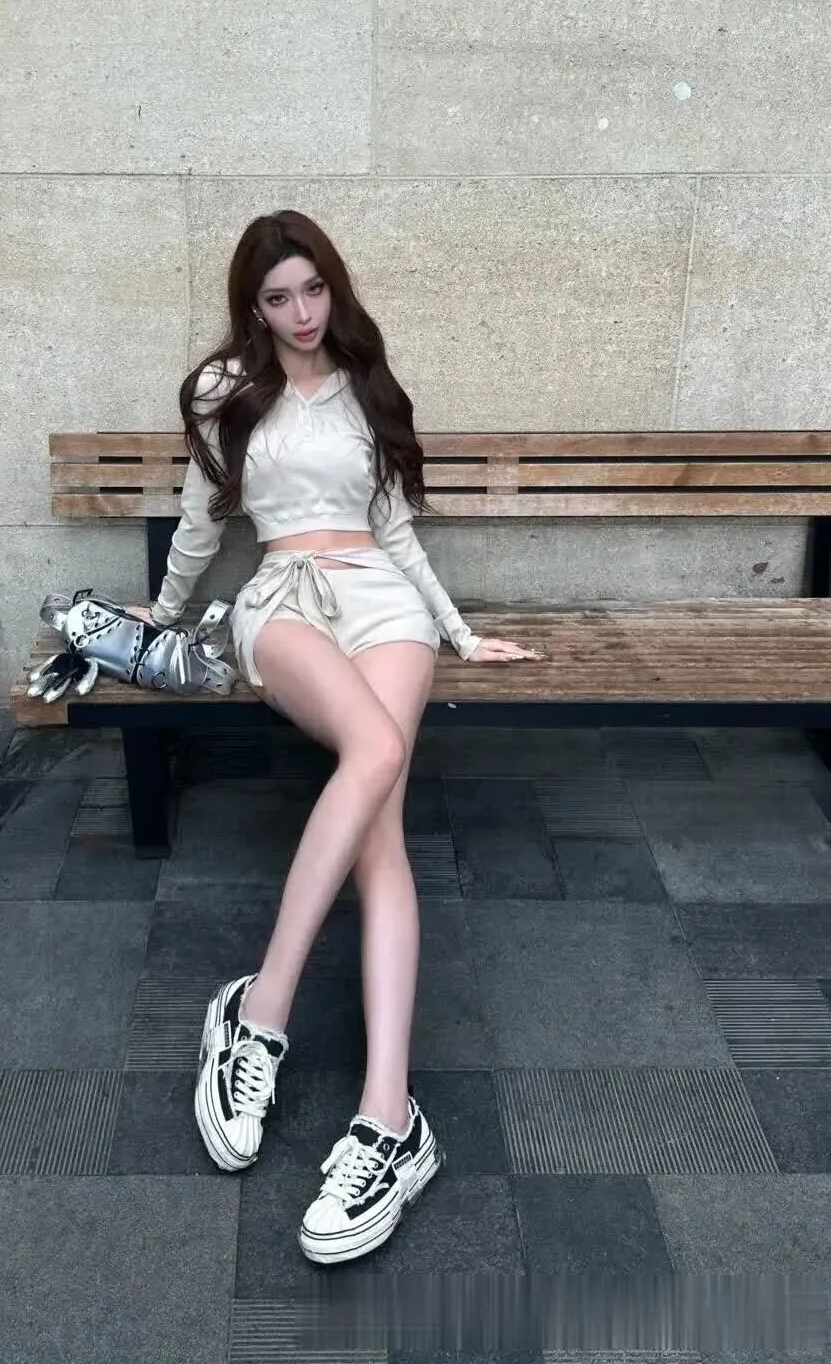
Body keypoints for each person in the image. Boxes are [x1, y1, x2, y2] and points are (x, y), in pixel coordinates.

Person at [135, 210, 540, 1265]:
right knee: (377, 753)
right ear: (253, 306)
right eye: (278, 298)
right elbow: (201, 522)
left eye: (313, 290)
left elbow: (395, 528)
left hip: (381, 598)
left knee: (382, 829)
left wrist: (457, 632)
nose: (301, 313)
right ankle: (264, 1011)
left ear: (334, 287)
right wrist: (163, 617)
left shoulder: (366, 383)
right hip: (282, 601)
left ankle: (386, 1115)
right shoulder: (226, 389)